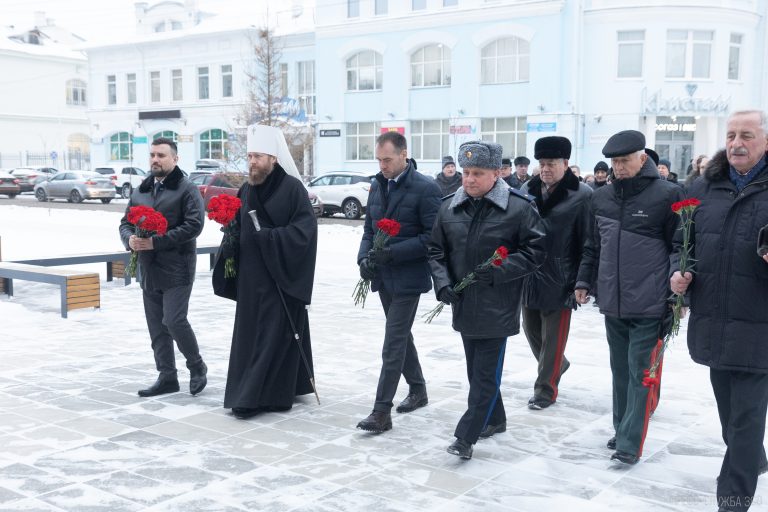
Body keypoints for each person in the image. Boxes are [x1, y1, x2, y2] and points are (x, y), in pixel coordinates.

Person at [671, 110, 768, 512]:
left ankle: (732, 500)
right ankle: (753, 459)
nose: (736, 143)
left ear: (765, 141)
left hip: (760, 326)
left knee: (745, 425)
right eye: (730, 135)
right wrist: (679, 273)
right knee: (731, 420)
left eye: (746, 134)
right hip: (714, 322)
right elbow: (682, 242)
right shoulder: (704, 187)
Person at [429, 140, 546, 459]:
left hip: (499, 303)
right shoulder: (449, 206)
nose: (469, 179)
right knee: (476, 370)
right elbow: (436, 251)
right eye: (466, 172)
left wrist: (499, 270)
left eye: (477, 173)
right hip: (464, 303)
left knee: (483, 375)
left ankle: (465, 437)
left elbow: (536, 251)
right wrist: (443, 285)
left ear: (497, 173)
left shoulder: (519, 207)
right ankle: (496, 418)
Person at [575, 129, 683, 465]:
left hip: (651, 302)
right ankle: (622, 428)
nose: (619, 167)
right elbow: (593, 245)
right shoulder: (601, 198)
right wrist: (583, 281)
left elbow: (680, 246)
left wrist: (676, 292)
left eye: (625, 160)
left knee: (640, 371)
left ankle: (629, 443)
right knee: (619, 370)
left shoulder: (668, 194)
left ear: (642, 158)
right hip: (612, 300)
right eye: (614, 162)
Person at [219, 124, 318, 419]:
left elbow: (305, 232)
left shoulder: (292, 189)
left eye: (258, 157)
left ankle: (251, 397)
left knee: (272, 335)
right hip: (251, 279)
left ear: (273, 159)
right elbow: (238, 225)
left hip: (280, 276)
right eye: (249, 156)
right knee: (252, 336)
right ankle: (261, 390)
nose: (252, 163)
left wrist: (271, 238)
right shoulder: (246, 189)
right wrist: (231, 232)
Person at [356, 131, 442, 433]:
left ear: (404, 155)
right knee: (401, 336)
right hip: (383, 276)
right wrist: (363, 259)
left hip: (408, 276)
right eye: (379, 160)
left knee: (392, 341)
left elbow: (432, 238)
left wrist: (392, 253)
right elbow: (369, 228)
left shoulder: (426, 188)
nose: (383, 166)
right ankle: (418, 389)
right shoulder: (377, 186)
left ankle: (382, 412)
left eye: (388, 160)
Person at [119, 137, 207, 398]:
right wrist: (130, 239)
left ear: (175, 159)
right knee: (157, 326)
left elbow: (194, 226)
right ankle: (167, 376)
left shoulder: (187, 189)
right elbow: (125, 223)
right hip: (148, 269)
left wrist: (155, 242)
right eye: (153, 155)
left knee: (174, 320)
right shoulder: (141, 190)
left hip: (178, 267)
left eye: (161, 155)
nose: (155, 159)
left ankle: (197, 366)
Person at [519, 136, 592, 410]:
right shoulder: (528, 189)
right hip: (529, 272)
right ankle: (557, 364)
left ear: (565, 164)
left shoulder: (582, 195)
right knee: (530, 329)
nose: (546, 169)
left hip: (562, 275)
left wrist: (582, 279)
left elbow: (589, 241)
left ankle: (545, 390)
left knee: (554, 337)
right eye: (542, 164)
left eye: (551, 163)